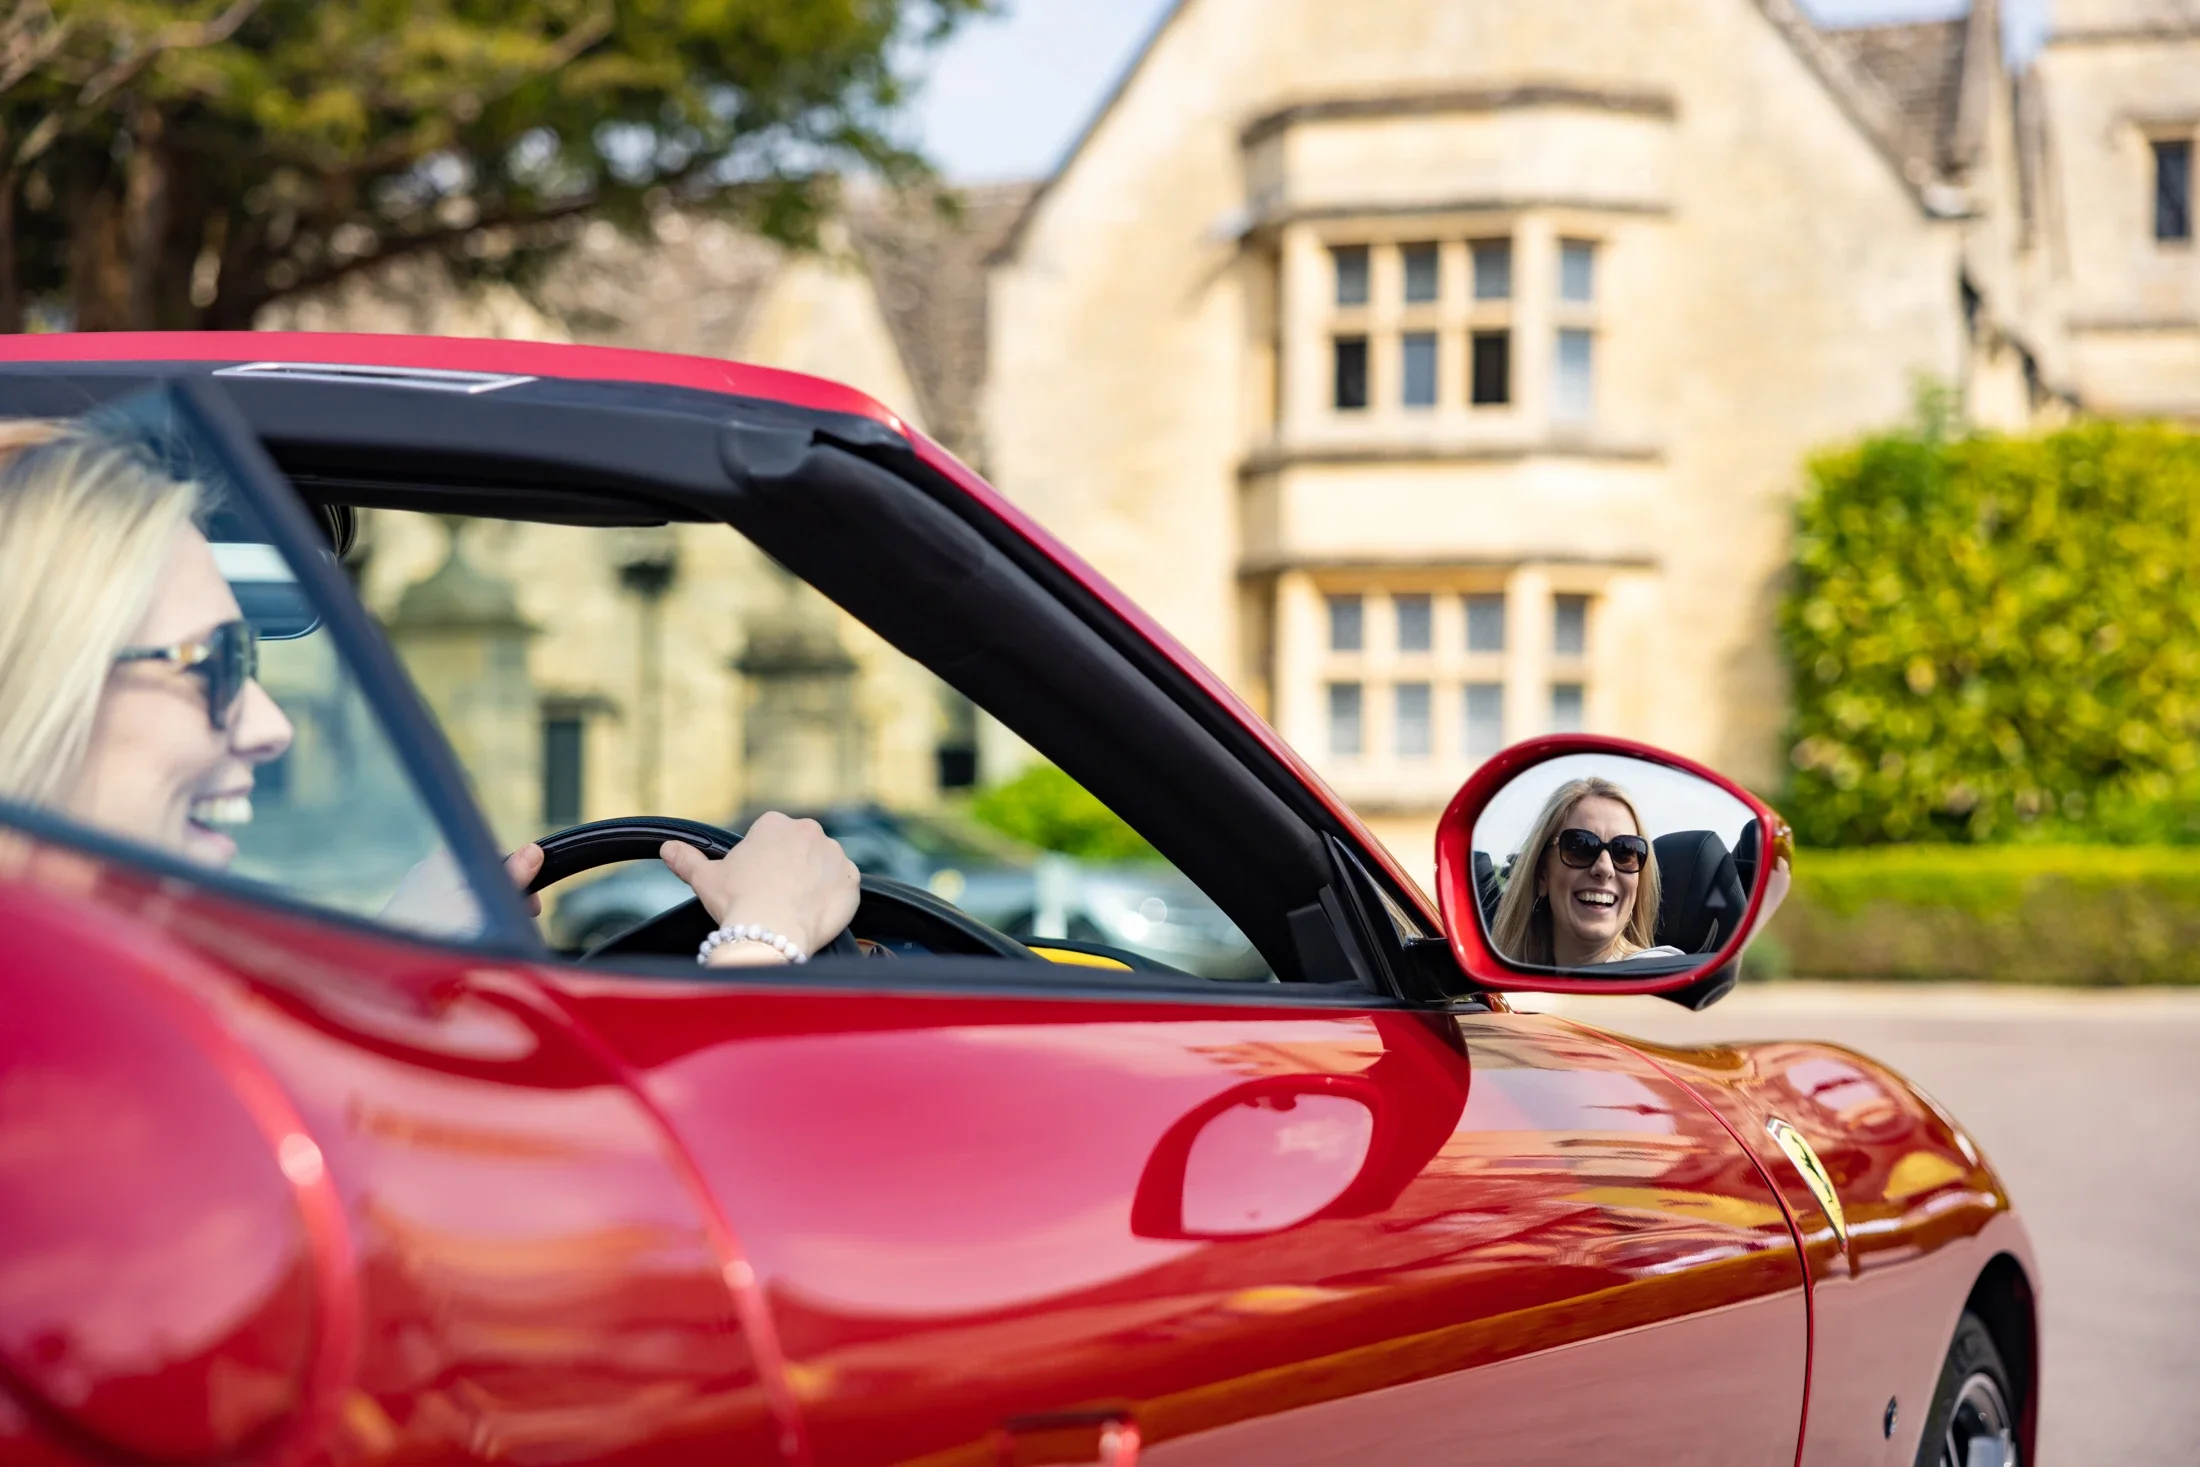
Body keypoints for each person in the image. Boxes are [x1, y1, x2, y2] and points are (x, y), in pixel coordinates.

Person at [0, 417, 856, 967]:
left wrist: (400, 954)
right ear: (39, 685)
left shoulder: (108, 985)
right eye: (214, 664)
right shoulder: (58, 1054)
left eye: (253, 666)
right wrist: (761, 939)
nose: (271, 728)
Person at [1488, 775, 1684, 968]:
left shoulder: (1661, 973)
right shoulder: (1508, 981)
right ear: (1541, 875)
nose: (1605, 868)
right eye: (1580, 847)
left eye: (1626, 851)